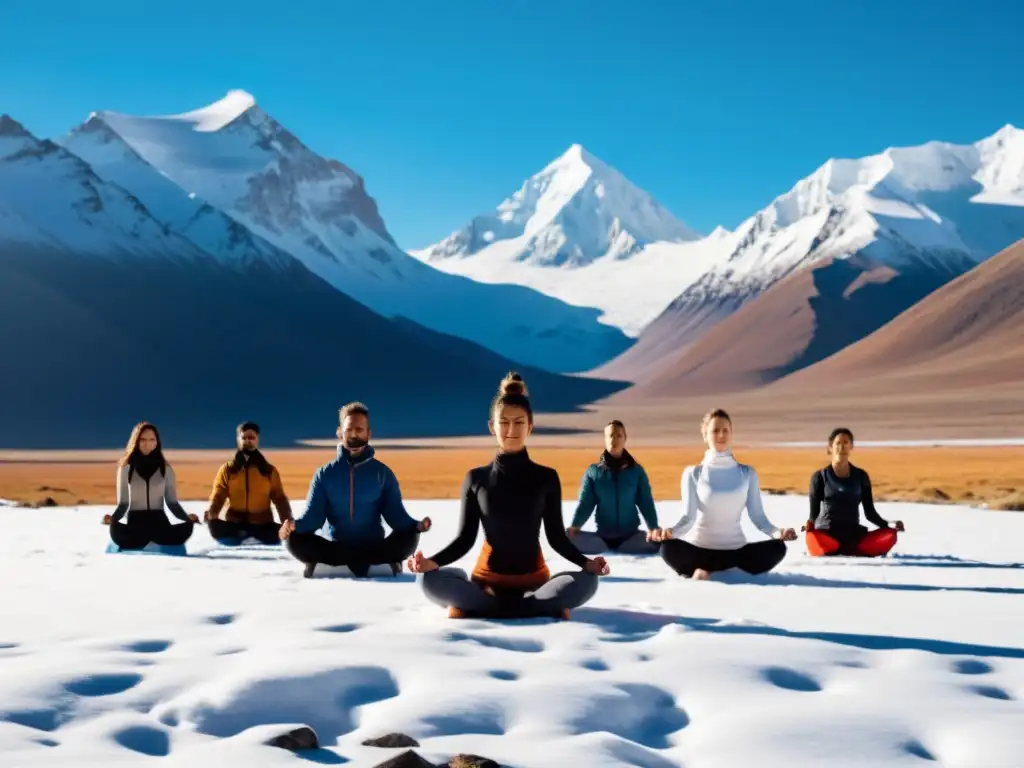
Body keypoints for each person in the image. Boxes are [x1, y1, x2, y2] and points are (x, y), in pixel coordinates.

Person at [407, 372, 609, 620]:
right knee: (428, 581)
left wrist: (585, 563)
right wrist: (431, 563)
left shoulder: (546, 477)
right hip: (486, 584)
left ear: (530, 427)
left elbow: (556, 537)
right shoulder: (476, 479)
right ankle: (529, 609)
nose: (511, 429)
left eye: (519, 422)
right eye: (503, 422)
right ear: (492, 427)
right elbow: (464, 540)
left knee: (588, 582)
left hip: (535, 584)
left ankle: (483, 609)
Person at [280, 402, 431, 577]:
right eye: (349, 430)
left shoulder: (382, 473)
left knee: (409, 536)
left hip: (373, 547)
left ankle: (332, 567)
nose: (354, 434)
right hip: (335, 547)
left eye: (359, 430)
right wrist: (293, 526)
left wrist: (416, 526)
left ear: (369, 433)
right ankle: (379, 566)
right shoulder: (324, 474)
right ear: (339, 432)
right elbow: (313, 517)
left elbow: (395, 515)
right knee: (293, 539)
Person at [653, 408, 796, 579]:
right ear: (705, 435)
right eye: (715, 430)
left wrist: (779, 533)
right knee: (668, 548)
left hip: (736, 553)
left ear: (731, 434)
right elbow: (688, 517)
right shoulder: (693, 473)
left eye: (725, 430)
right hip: (700, 552)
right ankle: (704, 569)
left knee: (778, 548)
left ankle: (710, 570)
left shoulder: (747, 473)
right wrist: (671, 532)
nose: (721, 434)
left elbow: (758, 517)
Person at [804, 427, 905, 557]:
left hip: (853, 535)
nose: (842, 447)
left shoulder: (861, 476)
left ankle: (850, 548)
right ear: (830, 447)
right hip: (826, 534)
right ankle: (829, 548)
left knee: (890, 535)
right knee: (814, 537)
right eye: (838, 443)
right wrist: (809, 526)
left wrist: (889, 525)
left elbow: (870, 513)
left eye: (846, 443)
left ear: (851, 446)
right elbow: (814, 513)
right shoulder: (819, 477)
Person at [567, 420, 662, 554]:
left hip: (631, 536)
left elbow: (645, 501)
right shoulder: (594, 472)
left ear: (625, 439)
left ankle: (624, 547)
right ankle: (609, 548)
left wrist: (653, 527)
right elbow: (586, 503)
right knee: (565, 538)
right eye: (611, 435)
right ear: (605, 439)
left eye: (619, 436)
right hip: (602, 538)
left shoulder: (636, 471)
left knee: (661, 542)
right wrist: (575, 526)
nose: (614, 439)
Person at [103, 421, 199, 549]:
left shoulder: (166, 469)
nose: (147, 443)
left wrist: (186, 518)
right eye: (142, 439)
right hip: (136, 525)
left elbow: (172, 503)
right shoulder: (126, 469)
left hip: (159, 523)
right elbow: (123, 504)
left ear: (157, 442)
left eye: (151, 439)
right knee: (118, 532)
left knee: (184, 530)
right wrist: (113, 520)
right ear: (135, 441)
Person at [204, 421, 293, 545]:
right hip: (235, 524)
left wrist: (287, 520)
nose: (247, 441)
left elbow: (279, 498)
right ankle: (244, 535)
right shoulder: (228, 469)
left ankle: (249, 536)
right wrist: (212, 512)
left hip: (263, 525)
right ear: (238, 439)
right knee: (214, 526)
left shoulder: (268, 470)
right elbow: (219, 495)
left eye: (251, 437)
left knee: (281, 533)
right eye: (244, 437)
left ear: (257, 439)